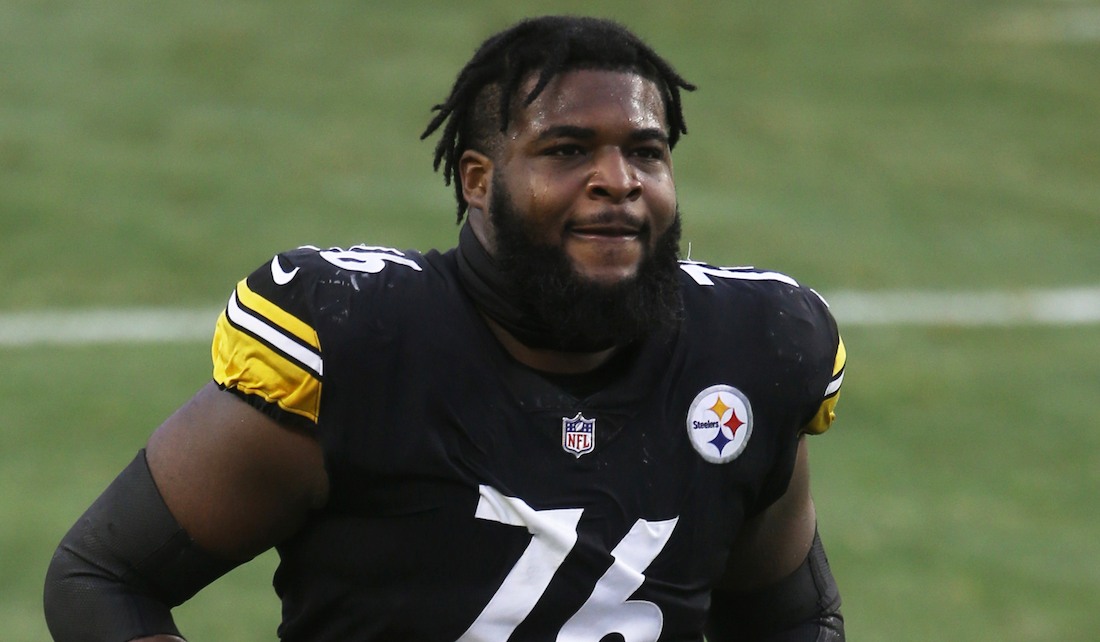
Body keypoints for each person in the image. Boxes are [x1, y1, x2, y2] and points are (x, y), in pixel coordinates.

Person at [44, 15, 846, 642]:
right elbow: (100, 579)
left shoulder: (752, 351)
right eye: (567, 151)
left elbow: (791, 619)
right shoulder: (365, 348)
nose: (617, 181)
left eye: (647, 151)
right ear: (477, 180)